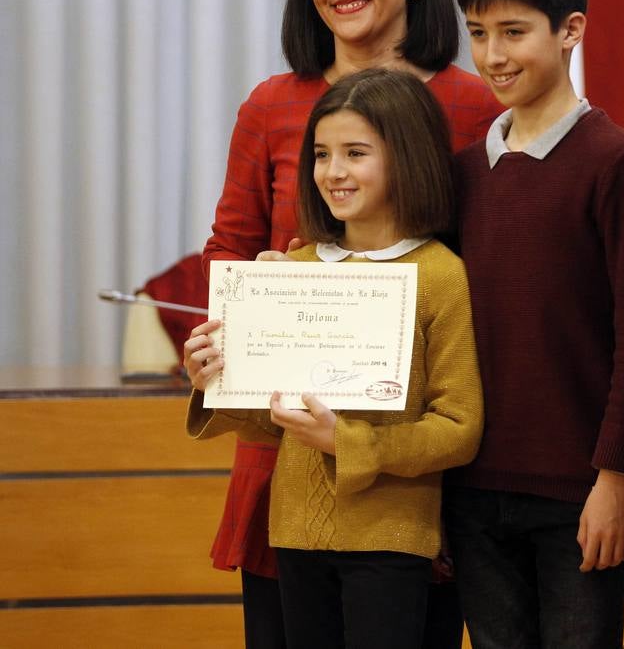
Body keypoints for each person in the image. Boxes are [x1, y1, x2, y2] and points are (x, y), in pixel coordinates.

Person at [192, 0, 500, 647]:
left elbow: (488, 274)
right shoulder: (272, 104)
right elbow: (230, 247)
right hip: (292, 460)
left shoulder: (474, 106)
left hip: (416, 476)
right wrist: (230, 335)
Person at [185, 67, 484, 648]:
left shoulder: (441, 275)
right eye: (321, 154)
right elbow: (272, 420)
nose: (333, 172)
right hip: (294, 534)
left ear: (407, 158)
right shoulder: (291, 270)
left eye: (355, 153)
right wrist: (212, 378)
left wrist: (348, 442)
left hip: (393, 539)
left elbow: (459, 429)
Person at [443, 0, 624, 649]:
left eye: (513, 32)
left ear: (571, 30)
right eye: (478, 33)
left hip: (577, 495)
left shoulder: (615, 162)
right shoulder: (465, 173)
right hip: (472, 490)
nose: (493, 56)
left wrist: (617, 479)